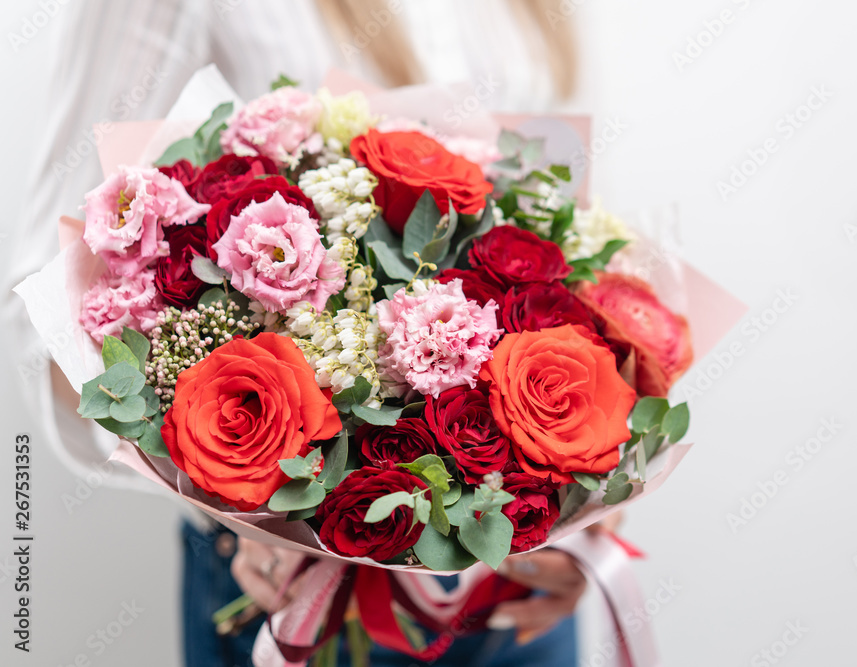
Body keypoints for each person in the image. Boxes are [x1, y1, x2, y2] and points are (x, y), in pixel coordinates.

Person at [4, 2, 605, 665]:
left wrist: (590, 486)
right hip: (297, 596)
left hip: (520, 585)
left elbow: (562, 249)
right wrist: (243, 499)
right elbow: (44, 296)